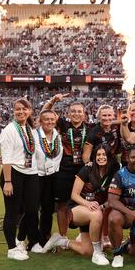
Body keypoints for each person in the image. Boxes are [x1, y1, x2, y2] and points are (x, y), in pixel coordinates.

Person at [42, 145, 120, 264]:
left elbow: (114, 198)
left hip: (95, 211)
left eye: (104, 155)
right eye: (98, 155)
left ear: (109, 157)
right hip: (76, 208)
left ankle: (60, 241)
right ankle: (98, 253)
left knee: (87, 251)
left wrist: (103, 206)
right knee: (97, 214)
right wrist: (87, 204)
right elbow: (74, 195)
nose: (101, 157)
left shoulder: (113, 173)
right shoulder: (87, 169)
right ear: (94, 157)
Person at [42, 94, 90, 243]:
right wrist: (53, 100)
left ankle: (84, 235)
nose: (76, 114)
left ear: (84, 114)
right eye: (73, 111)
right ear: (68, 114)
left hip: (82, 171)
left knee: (84, 201)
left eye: (79, 111)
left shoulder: (90, 129)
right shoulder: (62, 125)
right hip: (63, 169)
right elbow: (44, 114)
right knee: (62, 203)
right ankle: (62, 237)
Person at [0, 99, 40, 261]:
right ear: (13, 111)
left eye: (24, 109)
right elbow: (6, 158)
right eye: (17, 109)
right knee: (12, 213)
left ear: (29, 111)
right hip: (13, 174)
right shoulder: (9, 130)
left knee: (31, 211)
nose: (21, 112)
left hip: (31, 174)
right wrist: (8, 182)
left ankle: (21, 240)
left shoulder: (30, 128)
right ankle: (11, 248)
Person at [29, 109, 63, 252]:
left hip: (52, 176)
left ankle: (44, 237)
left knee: (48, 209)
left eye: (52, 119)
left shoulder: (57, 136)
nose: (50, 122)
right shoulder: (34, 135)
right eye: (46, 119)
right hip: (36, 176)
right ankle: (33, 240)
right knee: (32, 209)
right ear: (40, 122)